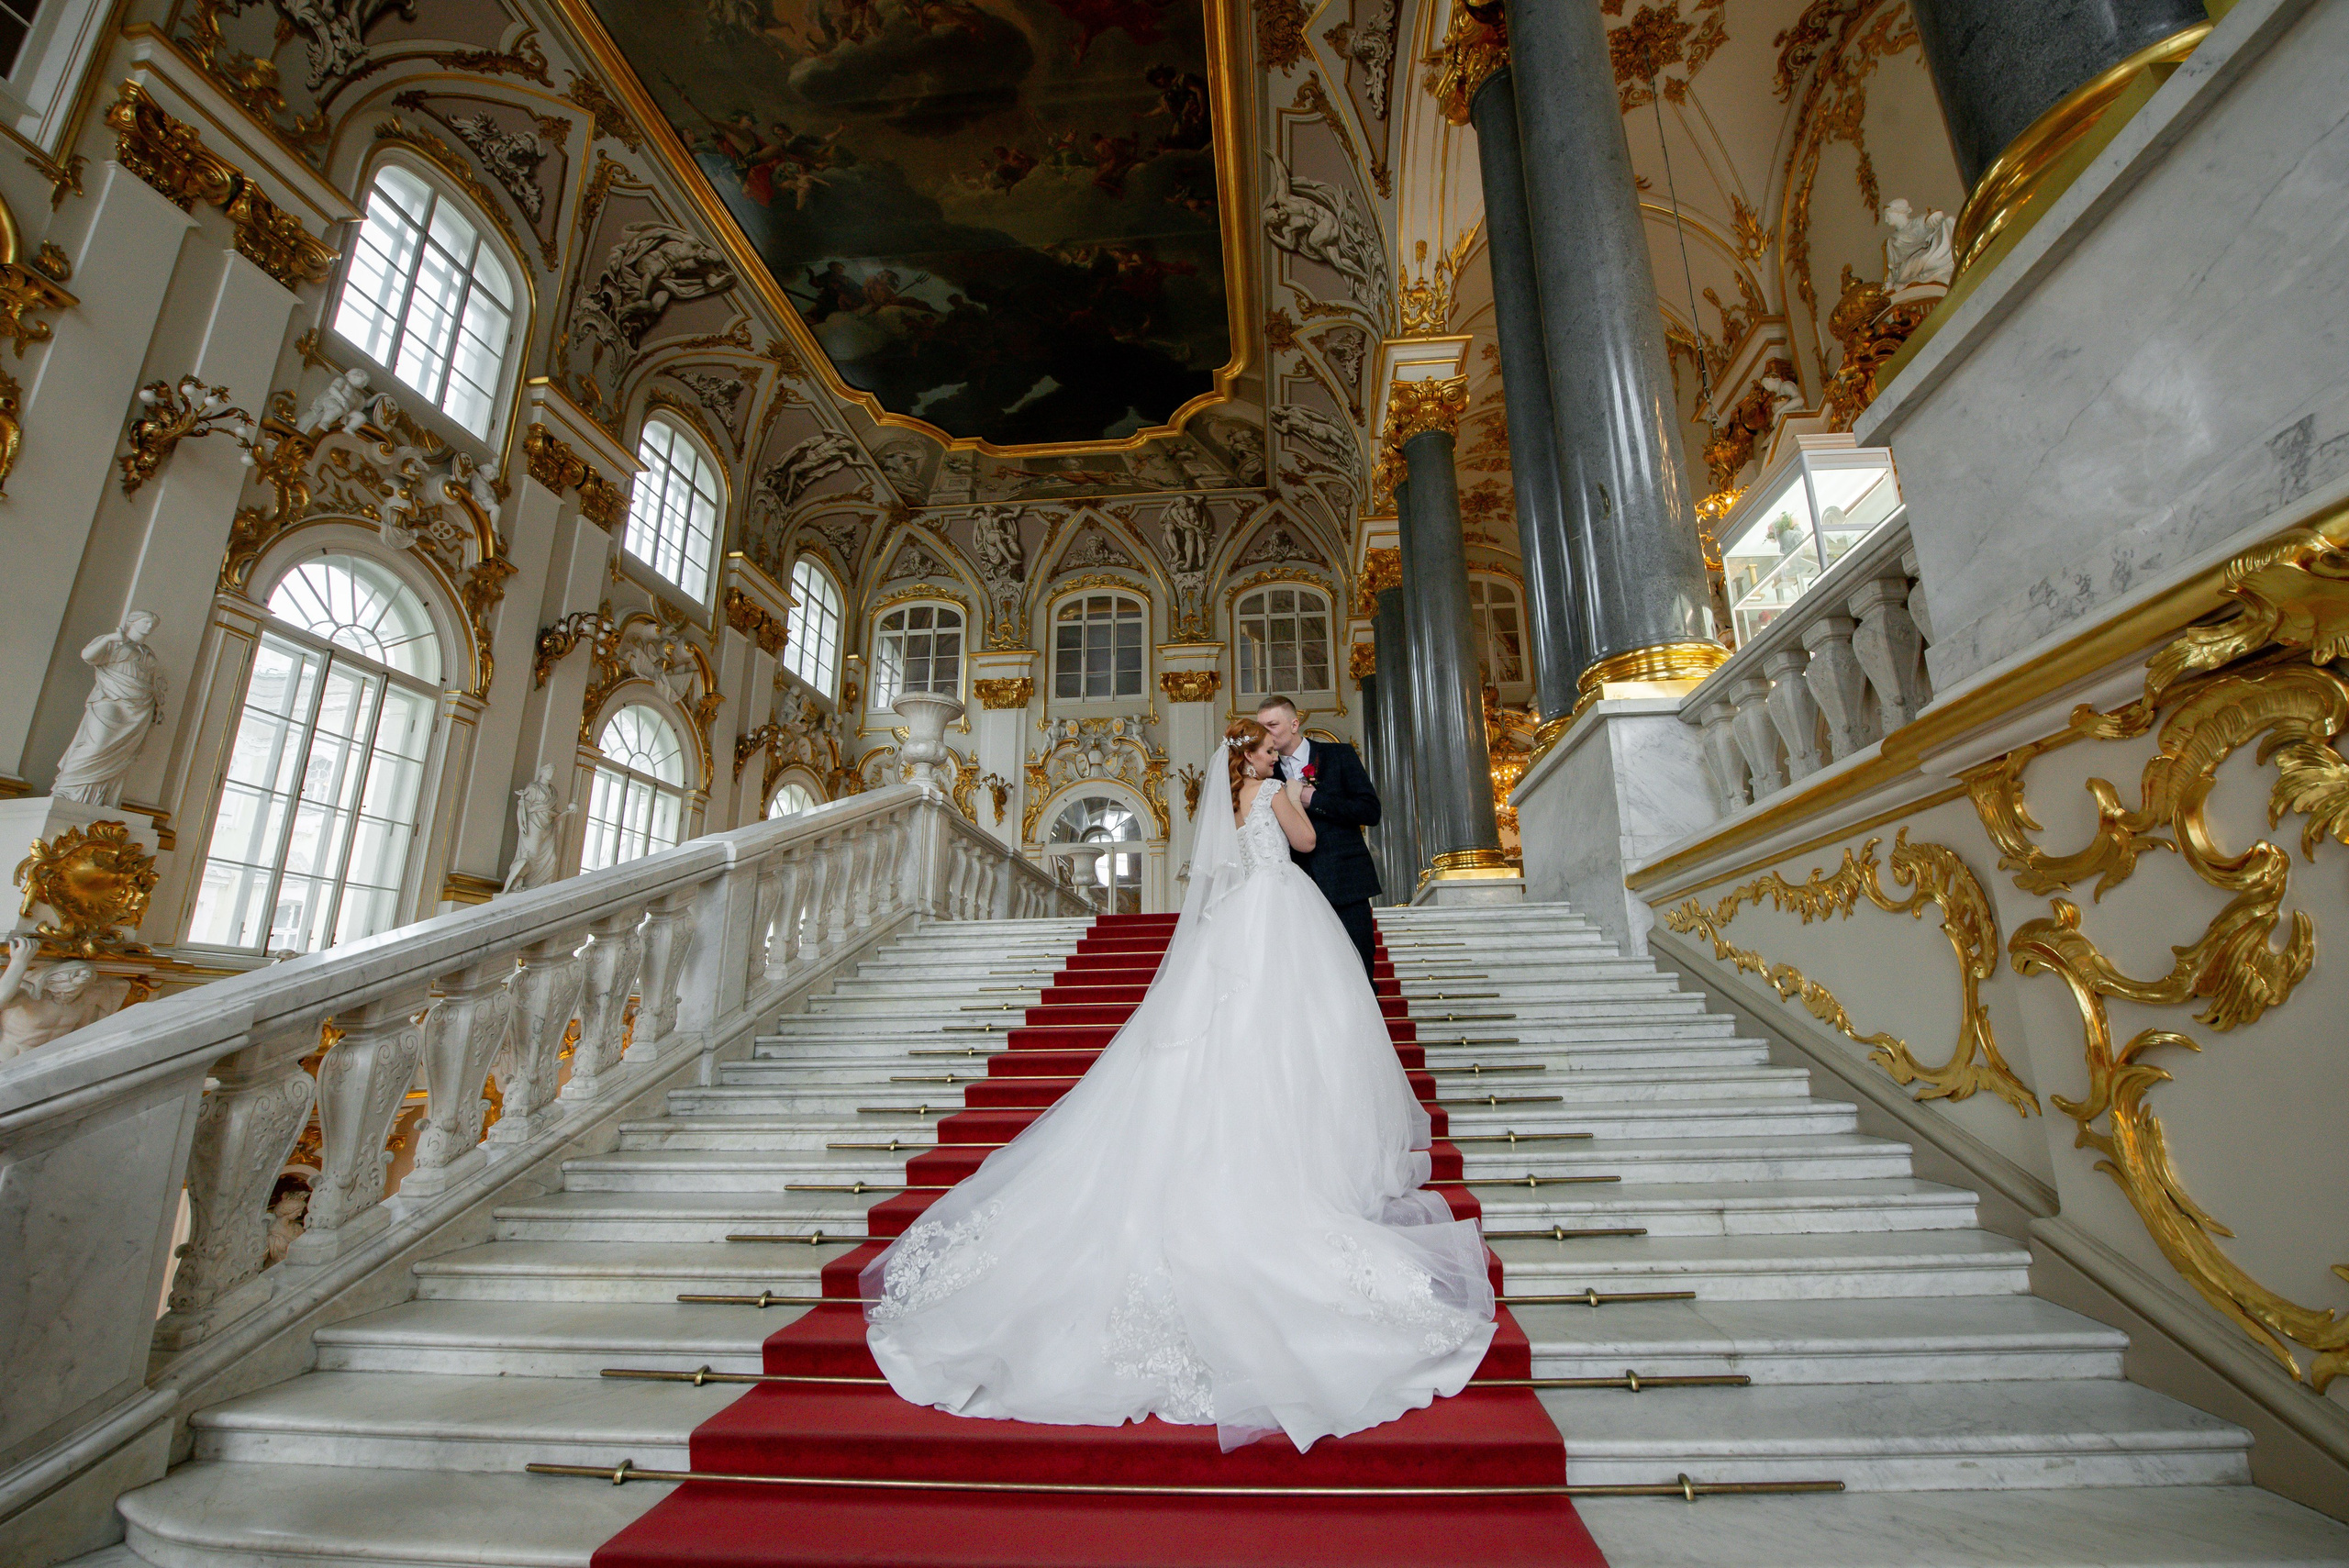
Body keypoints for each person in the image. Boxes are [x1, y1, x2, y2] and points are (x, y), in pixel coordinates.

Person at [863, 717, 1495, 1452]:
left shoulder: (1224, 804)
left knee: (1213, 1032)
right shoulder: (1275, 790)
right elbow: (1308, 845)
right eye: (1266, 748)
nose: (1272, 753)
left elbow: (1219, 871)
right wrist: (1292, 792)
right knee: (1296, 1029)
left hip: (1232, 925)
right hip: (1282, 914)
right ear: (1256, 757)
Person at [1254, 695, 1382, 979]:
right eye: (1261, 726)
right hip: (1295, 887)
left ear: (1294, 723)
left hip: (1346, 882)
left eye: (1272, 724)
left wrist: (1315, 798)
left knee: (1360, 970)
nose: (1266, 733)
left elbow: (1370, 811)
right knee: (1310, 976)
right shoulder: (1264, 773)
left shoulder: (1339, 755)